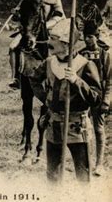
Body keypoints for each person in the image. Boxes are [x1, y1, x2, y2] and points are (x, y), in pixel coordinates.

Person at [30, 19, 102, 183]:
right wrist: (47, 100)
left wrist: (77, 80)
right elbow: (33, 79)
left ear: (65, 43)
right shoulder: (49, 62)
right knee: (53, 175)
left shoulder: (85, 65)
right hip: (53, 125)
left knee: (83, 174)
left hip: (77, 128)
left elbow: (96, 98)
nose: (49, 42)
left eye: (53, 38)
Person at [9, 0, 65, 89]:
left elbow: (60, 15)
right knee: (12, 47)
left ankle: (60, 77)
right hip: (30, 30)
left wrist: (46, 25)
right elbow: (23, 16)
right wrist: (16, 14)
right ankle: (16, 77)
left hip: (49, 29)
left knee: (60, 50)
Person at [79, 19, 111, 176]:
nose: (87, 39)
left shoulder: (105, 55)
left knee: (98, 129)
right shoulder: (81, 54)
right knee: (83, 130)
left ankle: (99, 164)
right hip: (84, 97)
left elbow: (110, 80)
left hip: (99, 98)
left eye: (90, 36)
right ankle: (86, 162)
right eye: (85, 36)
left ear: (97, 36)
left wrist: (106, 101)